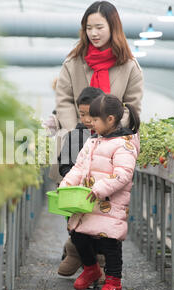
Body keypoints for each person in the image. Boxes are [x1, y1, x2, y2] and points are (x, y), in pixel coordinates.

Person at [59, 94, 140, 290]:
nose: (90, 123)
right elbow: (79, 167)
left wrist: (99, 189)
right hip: (87, 201)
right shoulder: (94, 140)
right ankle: (91, 269)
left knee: (109, 243)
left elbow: (123, 175)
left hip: (108, 203)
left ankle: (114, 282)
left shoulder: (125, 144)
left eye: (95, 120)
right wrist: (67, 184)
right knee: (78, 234)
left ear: (110, 120)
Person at [55, 1, 143, 132]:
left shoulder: (129, 66)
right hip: (76, 139)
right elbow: (64, 101)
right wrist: (75, 132)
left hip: (115, 140)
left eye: (99, 27)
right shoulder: (73, 63)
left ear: (113, 28)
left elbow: (132, 107)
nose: (93, 33)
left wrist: (108, 129)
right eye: (89, 28)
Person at [57, 87, 105, 279]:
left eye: (90, 114)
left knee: (101, 228)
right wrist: (74, 179)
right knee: (76, 225)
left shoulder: (110, 137)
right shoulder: (74, 137)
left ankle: (99, 261)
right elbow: (64, 165)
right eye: (82, 114)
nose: (86, 119)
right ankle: (77, 253)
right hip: (77, 195)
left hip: (101, 194)